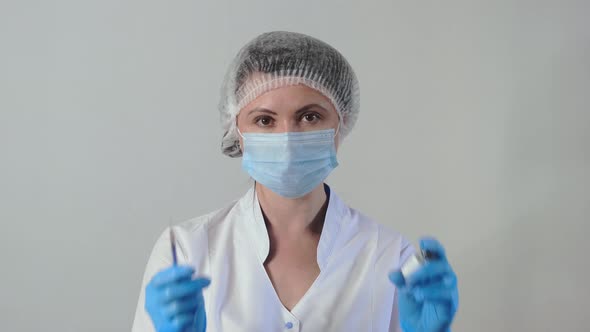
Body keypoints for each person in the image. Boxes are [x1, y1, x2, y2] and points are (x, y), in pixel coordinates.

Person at [132, 31, 458, 332]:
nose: (287, 137)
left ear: (340, 125)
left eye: (310, 116)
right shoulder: (189, 252)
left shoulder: (389, 257)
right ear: (238, 132)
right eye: (264, 120)